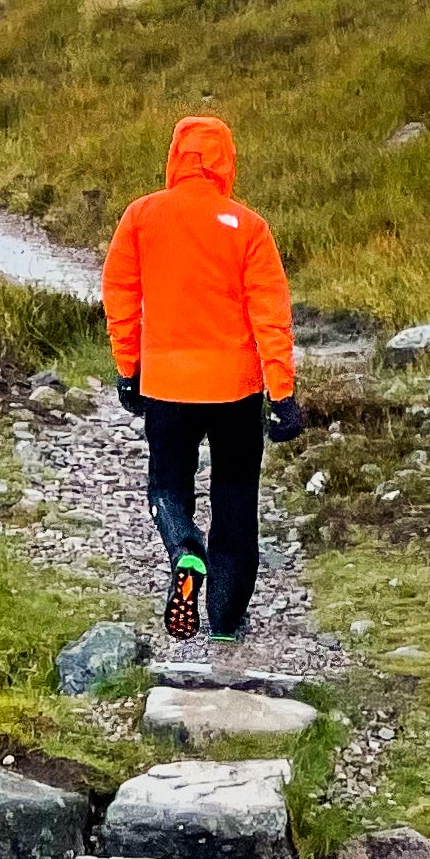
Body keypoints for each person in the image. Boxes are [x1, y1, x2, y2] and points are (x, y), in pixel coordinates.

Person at [102, 113, 303, 641]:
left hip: (167, 386)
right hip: (236, 391)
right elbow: (270, 315)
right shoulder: (250, 227)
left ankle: (184, 550)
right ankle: (226, 622)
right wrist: (282, 394)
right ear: (226, 161)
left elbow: (120, 297)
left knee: (168, 485)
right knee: (236, 498)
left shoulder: (141, 217)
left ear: (175, 157)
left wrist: (129, 370)